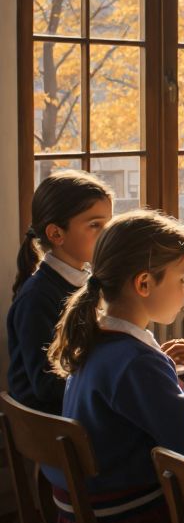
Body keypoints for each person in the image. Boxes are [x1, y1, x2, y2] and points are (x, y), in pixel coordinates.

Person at [45, 211, 184, 523]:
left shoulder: (96, 338)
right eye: (182, 278)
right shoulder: (135, 361)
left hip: (85, 513)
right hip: (128, 522)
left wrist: (166, 372)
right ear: (144, 283)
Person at [9, 170, 114, 413]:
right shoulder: (36, 297)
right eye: (95, 225)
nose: (107, 235)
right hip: (54, 429)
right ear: (56, 234)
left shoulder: (88, 283)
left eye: (109, 224)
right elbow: (47, 386)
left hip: (75, 411)